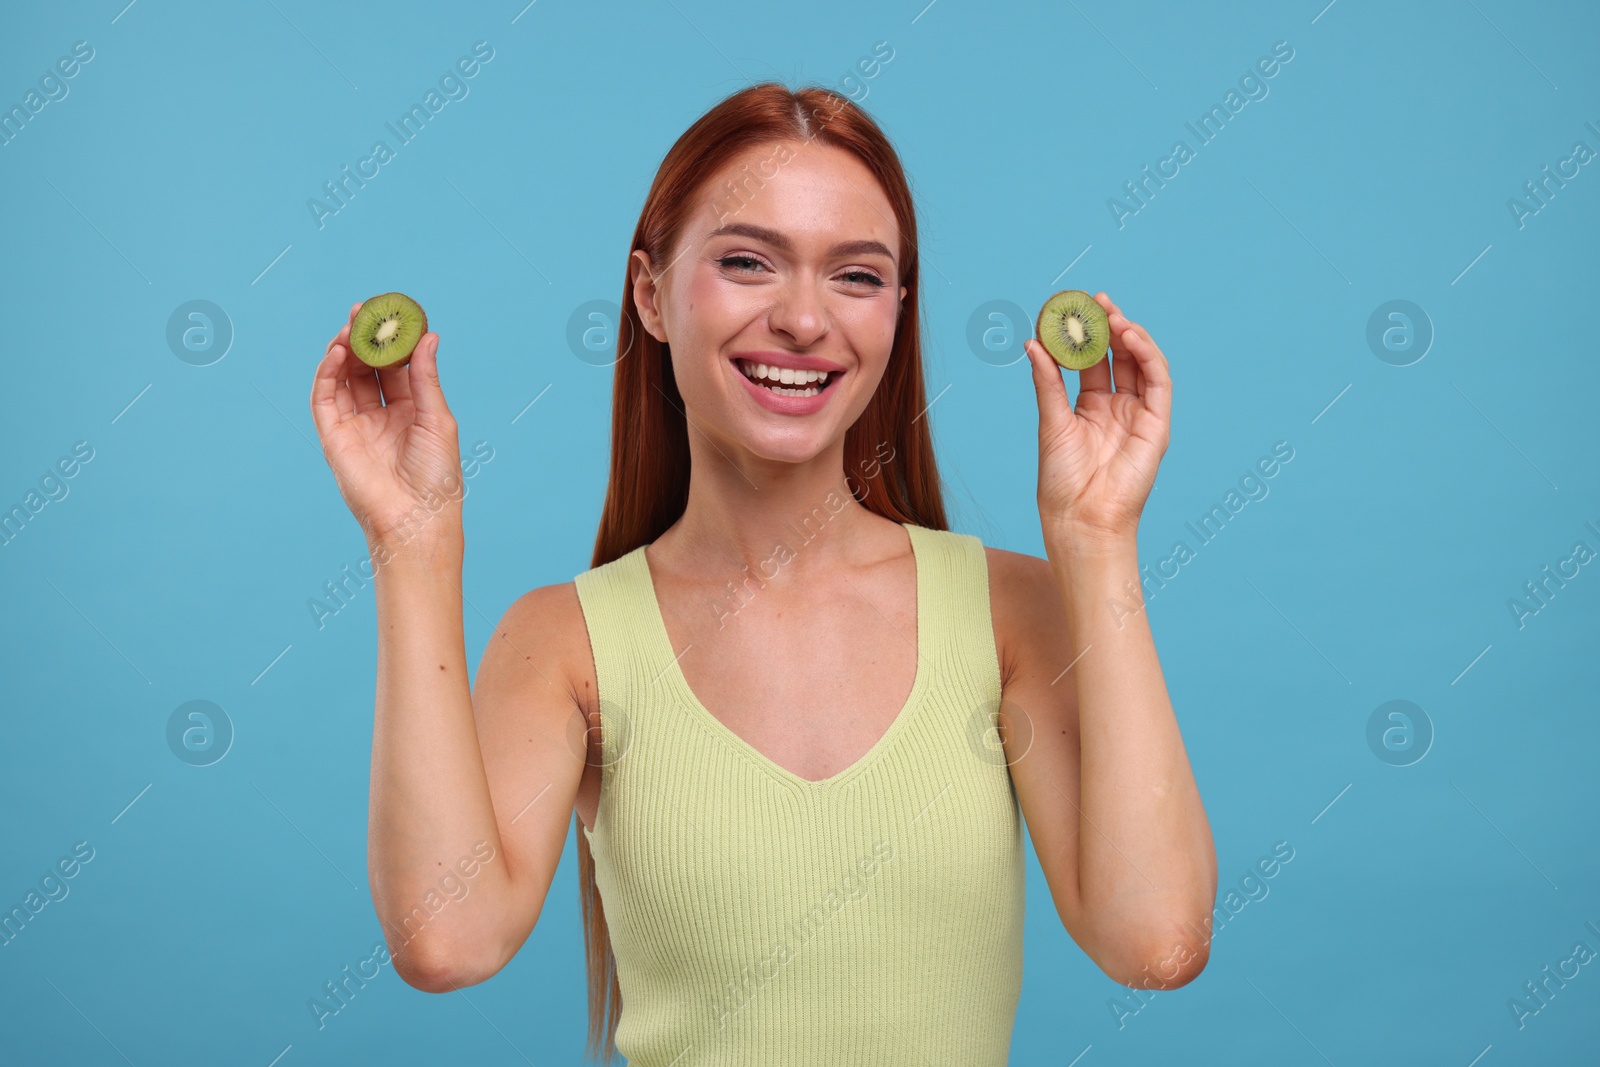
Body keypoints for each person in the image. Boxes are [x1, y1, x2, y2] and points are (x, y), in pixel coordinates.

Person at [309, 81, 1215, 1066]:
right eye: (747, 262)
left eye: (856, 277)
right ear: (650, 294)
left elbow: (1154, 940)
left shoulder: (1010, 612)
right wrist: (412, 542)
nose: (802, 319)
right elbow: (446, 939)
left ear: (897, 312)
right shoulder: (566, 642)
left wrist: (1097, 539)